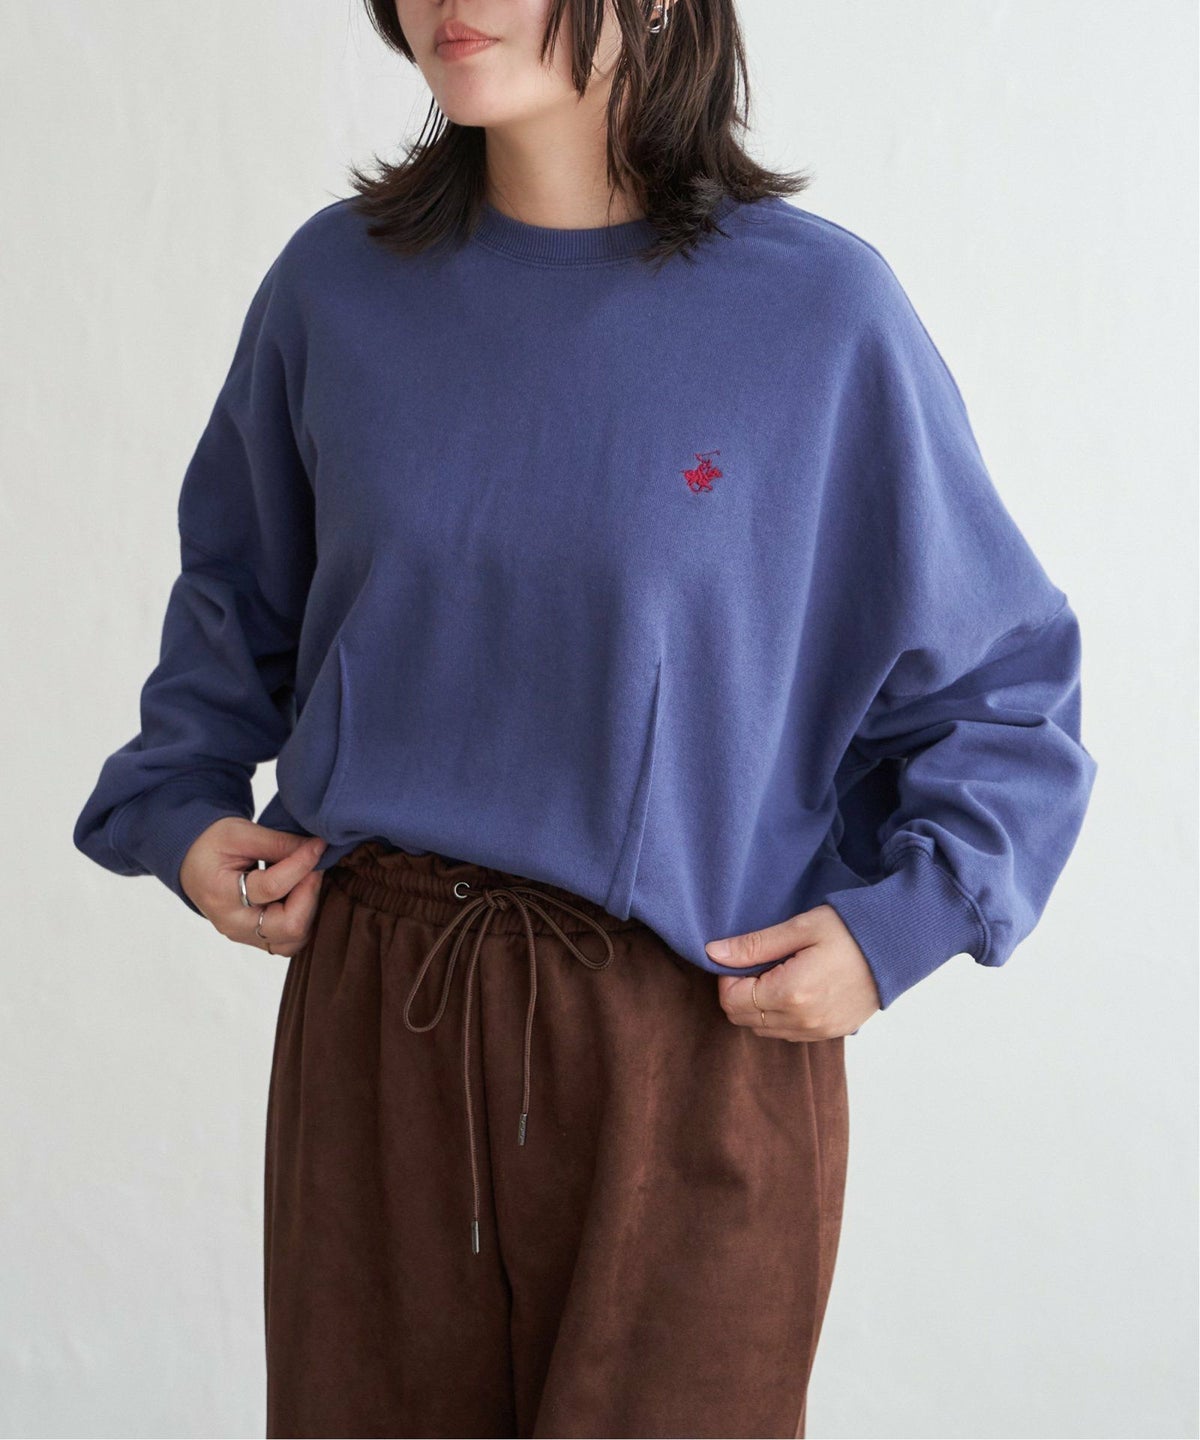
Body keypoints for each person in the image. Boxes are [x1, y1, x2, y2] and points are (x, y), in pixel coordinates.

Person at [72, 1, 1099, 1435]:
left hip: (691, 1042)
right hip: (380, 1036)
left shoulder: (818, 316)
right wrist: (182, 811)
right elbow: (237, 596)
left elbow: (1004, 691)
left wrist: (897, 929)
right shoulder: (334, 290)